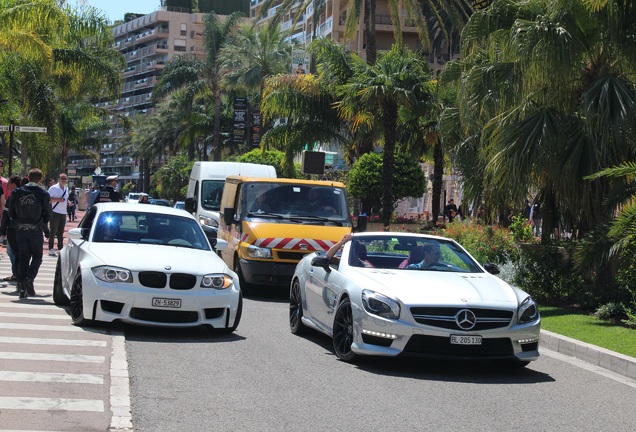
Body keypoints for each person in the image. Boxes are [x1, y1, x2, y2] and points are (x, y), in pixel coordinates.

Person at [9, 168, 51, 299]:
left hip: (20, 229)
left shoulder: (17, 192)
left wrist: (16, 220)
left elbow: (10, 210)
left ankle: (22, 286)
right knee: (37, 256)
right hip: (35, 229)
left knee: (23, 257)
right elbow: (48, 213)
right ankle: (30, 278)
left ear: (28, 177)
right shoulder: (42, 193)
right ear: (40, 179)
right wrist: (45, 226)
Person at [0, 176, 25, 284]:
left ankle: (16, 273)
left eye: (9, 183)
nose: (7, 185)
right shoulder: (25, 195)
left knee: (12, 251)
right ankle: (18, 273)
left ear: (14, 184)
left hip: (12, 228)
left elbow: (6, 213)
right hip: (23, 228)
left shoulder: (13, 196)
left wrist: (3, 228)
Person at [47, 173, 69, 257]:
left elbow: (66, 198)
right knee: (53, 231)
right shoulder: (53, 188)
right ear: (59, 179)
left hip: (63, 212)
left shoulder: (66, 189)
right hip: (55, 212)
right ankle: (51, 248)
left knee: (61, 232)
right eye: (62, 178)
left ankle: (60, 248)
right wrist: (58, 199)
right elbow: (47, 199)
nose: (64, 180)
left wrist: (68, 202)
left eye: (65, 178)